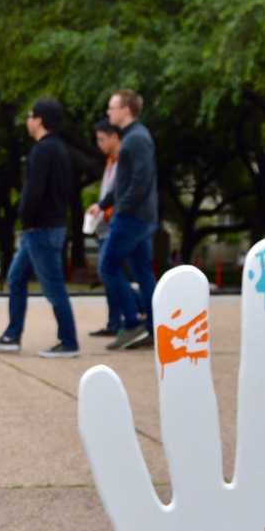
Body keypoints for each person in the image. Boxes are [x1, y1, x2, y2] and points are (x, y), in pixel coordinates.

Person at [0, 97, 80, 358]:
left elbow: (34, 191)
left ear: (39, 120)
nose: (27, 120)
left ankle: (69, 341)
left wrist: (23, 214)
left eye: (30, 116)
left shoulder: (42, 150)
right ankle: (12, 335)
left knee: (53, 287)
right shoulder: (60, 149)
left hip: (41, 229)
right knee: (15, 279)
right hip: (44, 229)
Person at [101, 89, 158, 349]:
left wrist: (121, 208)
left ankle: (133, 323)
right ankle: (155, 326)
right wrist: (104, 203)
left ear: (126, 110)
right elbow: (126, 181)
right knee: (143, 272)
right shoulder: (134, 137)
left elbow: (140, 181)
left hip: (132, 218)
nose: (108, 112)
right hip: (138, 216)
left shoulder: (137, 139)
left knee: (108, 267)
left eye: (112, 107)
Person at [84, 116, 128, 337]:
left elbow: (120, 195)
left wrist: (106, 211)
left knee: (109, 271)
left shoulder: (123, 160)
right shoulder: (110, 161)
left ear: (114, 137)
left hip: (114, 224)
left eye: (102, 139)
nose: (99, 144)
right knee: (108, 273)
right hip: (104, 225)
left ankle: (132, 313)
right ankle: (114, 322)